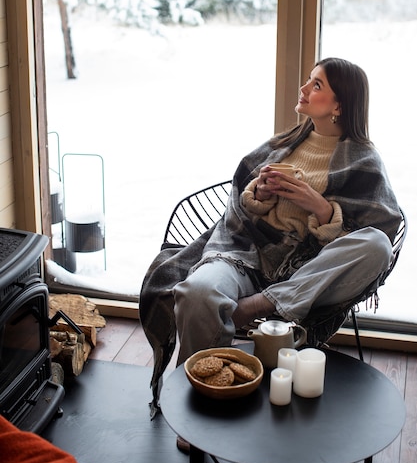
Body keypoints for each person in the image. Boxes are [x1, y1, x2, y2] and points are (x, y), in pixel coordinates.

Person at [140, 57, 402, 417]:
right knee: (197, 291)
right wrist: (260, 195)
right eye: (308, 80)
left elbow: (380, 227)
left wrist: (320, 208)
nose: (304, 89)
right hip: (247, 253)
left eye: (317, 85)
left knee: (376, 246)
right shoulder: (283, 143)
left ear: (339, 105)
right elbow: (239, 206)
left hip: (310, 271)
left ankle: (266, 302)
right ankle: (195, 405)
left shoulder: (364, 161)